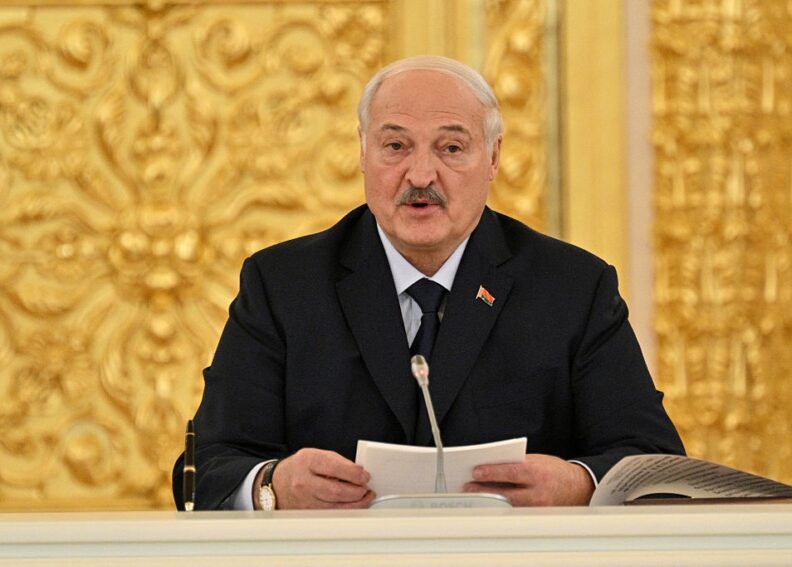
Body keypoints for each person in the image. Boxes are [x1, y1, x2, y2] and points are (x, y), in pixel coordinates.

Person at [172, 55, 684, 511]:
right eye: (395, 146)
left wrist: (578, 484)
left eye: (451, 148)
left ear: (494, 158)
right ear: (363, 152)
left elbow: (656, 464)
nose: (420, 175)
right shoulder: (283, 285)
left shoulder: (573, 288)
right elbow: (204, 472)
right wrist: (273, 486)